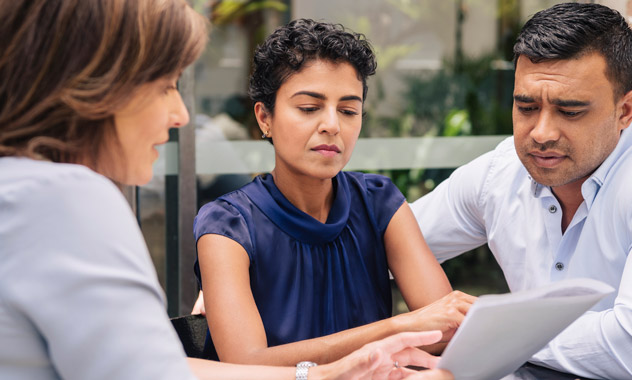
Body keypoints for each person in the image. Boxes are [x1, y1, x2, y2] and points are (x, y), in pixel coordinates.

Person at [0, 1, 455, 379]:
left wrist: (321, 372)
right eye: (163, 86)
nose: (181, 114)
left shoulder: (377, 199)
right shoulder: (72, 202)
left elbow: (161, 365)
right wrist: (392, 333)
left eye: (349, 110)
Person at [411, 3, 632, 380]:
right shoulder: (501, 172)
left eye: (570, 111)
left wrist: (494, 332)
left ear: (626, 111)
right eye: (526, 106)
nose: (541, 133)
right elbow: (388, 243)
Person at [193, 19, 475, 367]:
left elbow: (447, 329)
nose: (332, 125)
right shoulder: (227, 225)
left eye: (348, 110)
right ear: (264, 118)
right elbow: (248, 363)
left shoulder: (379, 202)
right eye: (309, 108)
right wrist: (399, 327)